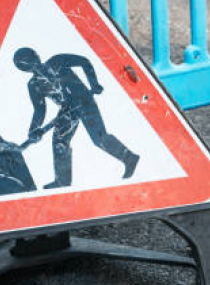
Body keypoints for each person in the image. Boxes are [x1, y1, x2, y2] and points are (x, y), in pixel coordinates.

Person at [13, 47, 139, 189]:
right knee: (60, 142)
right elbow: (39, 109)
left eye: (33, 61)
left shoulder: (57, 61)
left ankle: (130, 158)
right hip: (67, 110)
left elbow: (84, 62)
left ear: (37, 57)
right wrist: (34, 128)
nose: (35, 66)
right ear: (24, 69)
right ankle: (62, 181)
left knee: (99, 138)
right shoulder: (33, 85)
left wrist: (94, 83)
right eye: (29, 65)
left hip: (84, 101)